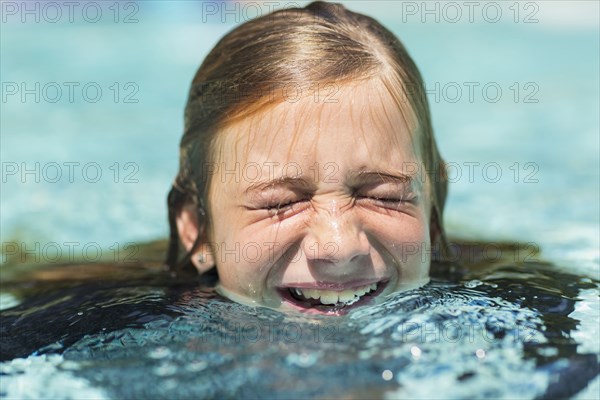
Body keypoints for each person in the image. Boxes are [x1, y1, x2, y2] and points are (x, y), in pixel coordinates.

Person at [166, 1, 448, 314]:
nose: (338, 248)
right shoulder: (121, 330)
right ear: (200, 230)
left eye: (383, 197)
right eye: (280, 203)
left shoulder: (502, 315)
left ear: (432, 215)